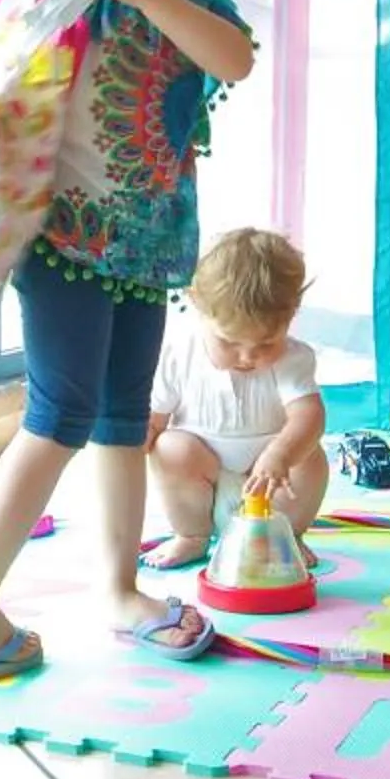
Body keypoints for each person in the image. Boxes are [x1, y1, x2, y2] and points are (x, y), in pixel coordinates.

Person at [0, 0, 255, 678]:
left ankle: (118, 588)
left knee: (123, 420)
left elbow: (231, 58)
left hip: (147, 250)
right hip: (66, 243)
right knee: (61, 413)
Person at [139, 228, 327, 570]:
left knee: (310, 459)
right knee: (169, 449)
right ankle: (192, 536)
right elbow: (155, 418)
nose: (247, 357)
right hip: (204, 477)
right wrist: (139, 438)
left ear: (292, 314)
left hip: (269, 478)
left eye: (266, 344)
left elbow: (308, 415)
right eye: (229, 342)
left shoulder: (293, 359)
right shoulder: (179, 354)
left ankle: (288, 535)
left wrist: (282, 453)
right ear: (198, 306)